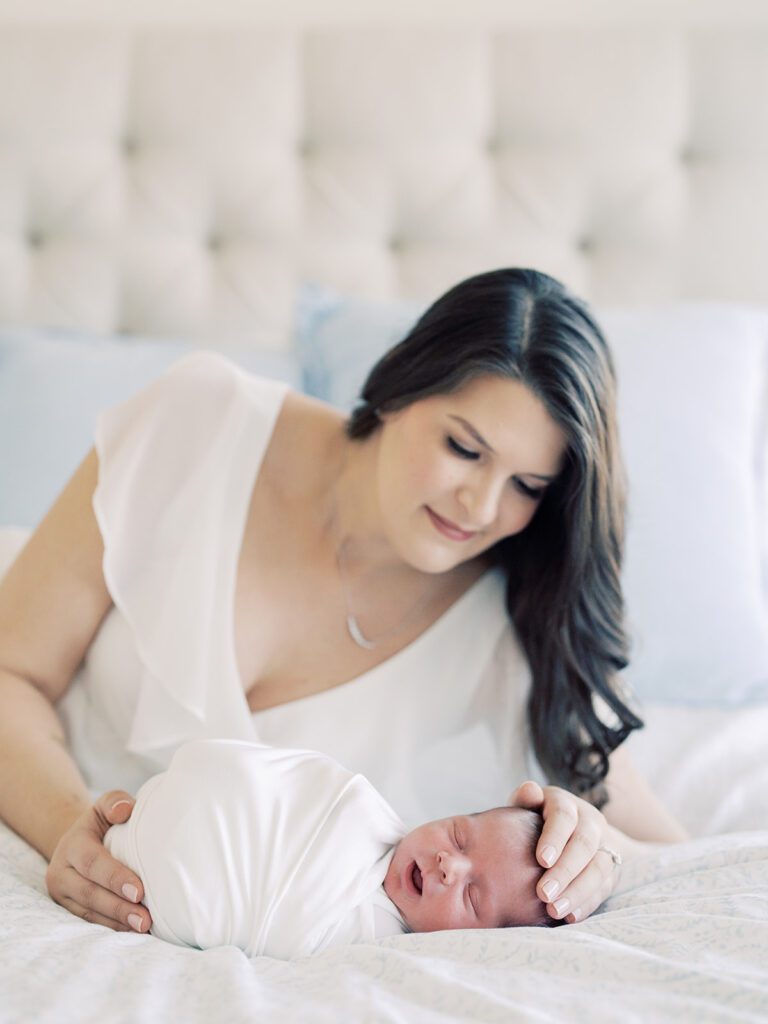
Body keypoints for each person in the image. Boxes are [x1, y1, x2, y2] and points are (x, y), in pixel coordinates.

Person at [0, 267, 689, 941]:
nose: (480, 507)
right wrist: (70, 828)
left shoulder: (517, 620)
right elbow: (12, 672)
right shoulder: (197, 421)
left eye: (528, 486)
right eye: (463, 448)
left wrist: (596, 851)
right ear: (400, 384)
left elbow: (664, 846)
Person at [104, 738, 558, 959]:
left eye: (471, 896)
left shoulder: (379, 944)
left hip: (167, 884)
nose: (448, 864)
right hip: (174, 802)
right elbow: (295, 786)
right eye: (459, 835)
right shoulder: (363, 814)